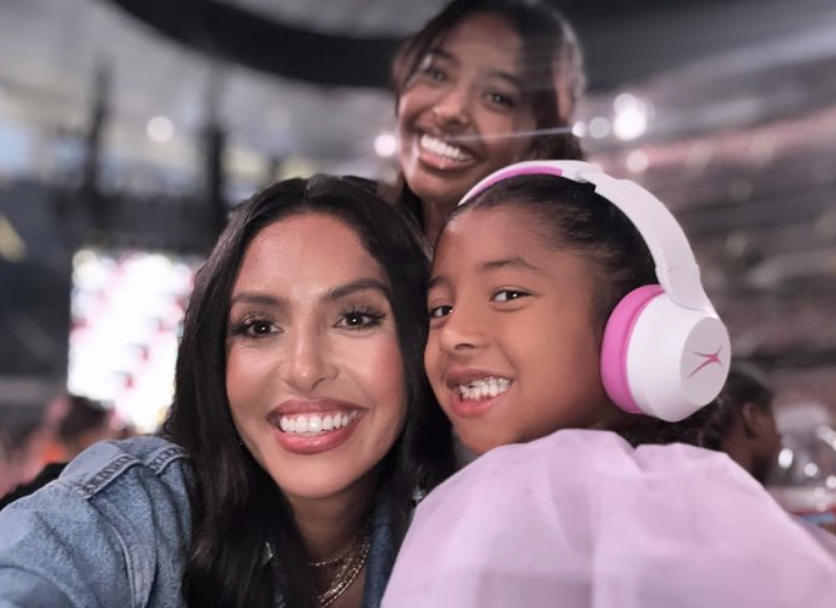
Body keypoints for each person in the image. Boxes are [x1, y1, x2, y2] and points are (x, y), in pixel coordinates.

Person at [382, 160, 836, 607]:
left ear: (636, 327)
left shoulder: (492, 495)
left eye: (508, 295)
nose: (456, 333)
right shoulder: (704, 493)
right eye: (440, 309)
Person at [0, 175, 454, 608]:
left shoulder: (464, 518)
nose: (304, 369)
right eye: (259, 326)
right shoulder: (141, 512)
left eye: (354, 318)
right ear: (214, 356)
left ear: (419, 335)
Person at [390, 0, 586, 244]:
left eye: (498, 97)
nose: (449, 110)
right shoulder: (355, 233)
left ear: (543, 141)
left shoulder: (562, 272)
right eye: (436, 73)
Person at [697, 363, 782, 485]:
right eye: (772, 414)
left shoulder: (683, 490)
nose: (779, 434)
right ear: (752, 417)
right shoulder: (751, 501)